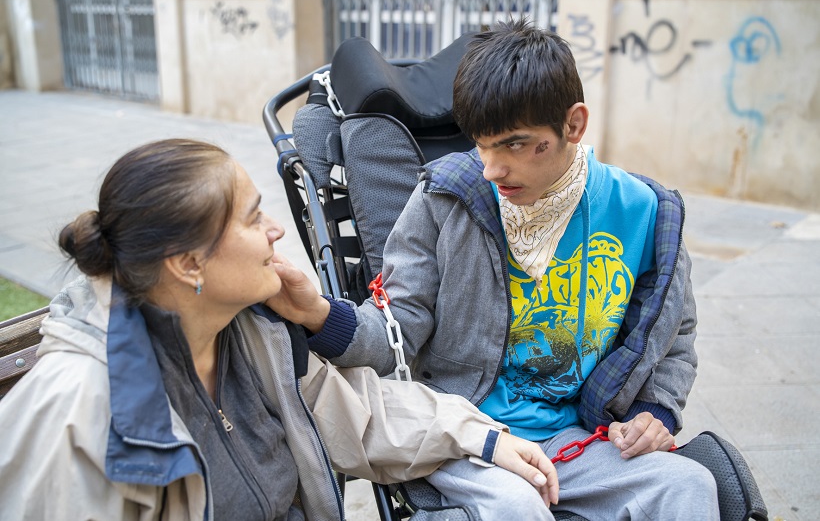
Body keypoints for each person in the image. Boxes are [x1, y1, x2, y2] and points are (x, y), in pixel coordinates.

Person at [270, 19, 720, 520]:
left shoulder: (648, 212)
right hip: (463, 433)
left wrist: (658, 409)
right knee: (516, 506)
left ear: (573, 125)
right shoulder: (449, 199)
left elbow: (676, 334)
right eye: (482, 145)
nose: (491, 168)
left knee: (690, 486)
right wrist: (317, 313)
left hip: (574, 438)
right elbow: (398, 328)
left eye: (514, 145)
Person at [0, 138, 560, 520]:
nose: (274, 231)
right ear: (188, 264)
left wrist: (482, 436)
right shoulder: (81, 409)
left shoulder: (250, 333)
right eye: (251, 218)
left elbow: (353, 412)